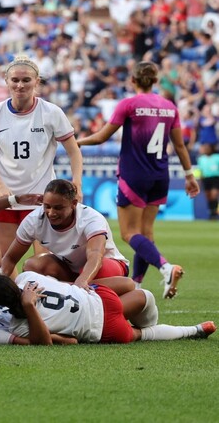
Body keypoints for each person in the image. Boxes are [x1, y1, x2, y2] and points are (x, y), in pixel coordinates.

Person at [77, 61, 200, 298]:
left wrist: (75, 142)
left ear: (132, 80)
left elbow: (102, 137)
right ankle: (137, 285)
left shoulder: (129, 104)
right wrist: (189, 176)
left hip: (134, 174)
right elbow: (180, 145)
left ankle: (166, 267)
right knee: (146, 234)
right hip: (159, 174)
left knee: (128, 233)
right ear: (155, 81)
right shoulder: (169, 107)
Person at [0, 55, 83, 255]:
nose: (20, 85)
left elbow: (74, 151)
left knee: (45, 262)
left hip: (42, 198)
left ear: (37, 81)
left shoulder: (51, 112)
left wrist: (77, 182)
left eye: (26, 80)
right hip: (4, 198)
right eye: (15, 80)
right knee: (2, 262)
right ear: (7, 81)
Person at [0, 272, 216, 345]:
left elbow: (40, 341)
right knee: (142, 295)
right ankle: (153, 312)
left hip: (103, 326)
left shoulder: (16, 323)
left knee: (142, 333)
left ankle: (193, 329)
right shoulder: (27, 279)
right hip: (100, 299)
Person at [0, 179, 129, 289]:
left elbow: (95, 256)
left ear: (73, 204)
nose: (51, 213)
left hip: (106, 267)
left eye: (58, 208)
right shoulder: (33, 220)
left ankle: (69, 290)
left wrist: (83, 280)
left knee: (102, 268)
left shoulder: (91, 218)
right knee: (33, 265)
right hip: (71, 270)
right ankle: (72, 289)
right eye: (47, 206)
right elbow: (10, 259)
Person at [197, 143, 219, 220]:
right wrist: (199, 181)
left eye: (207, 148)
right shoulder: (201, 159)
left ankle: (214, 211)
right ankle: (211, 212)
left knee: (214, 195)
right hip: (206, 179)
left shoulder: (216, 157)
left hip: (215, 178)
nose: (206, 150)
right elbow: (201, 170)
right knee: (208, 196)